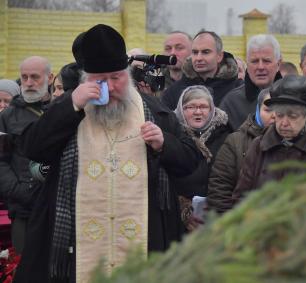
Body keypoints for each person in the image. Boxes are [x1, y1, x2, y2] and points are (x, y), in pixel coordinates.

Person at [13, 24, 200, 283]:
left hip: (144, 241)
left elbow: (191, 163)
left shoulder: (155, 111)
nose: (110, 87)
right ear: (84, 79)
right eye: (99, 80)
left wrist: (164, 144)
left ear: (128, 75)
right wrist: (71, 104)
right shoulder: (67, 107)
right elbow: (32, 149)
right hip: (76, 247)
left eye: (116, 77)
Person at [232, 75, 306, 202]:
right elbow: (241, 197)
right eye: (279, 115)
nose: (284, 123)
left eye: (292, 116)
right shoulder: (259, 146)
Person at [0, 56, 53, 255]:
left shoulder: (61, 111)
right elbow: (1, 162)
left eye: (34, 77)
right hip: (23, 210)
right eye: (24, 77)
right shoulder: (7, 116)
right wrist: (21, 192)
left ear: (50, 77)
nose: (29, 83)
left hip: (57, 207)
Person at [207, 88, 275, 213]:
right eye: (268, 110)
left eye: (280, 110)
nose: (274, 116)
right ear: (258, 110)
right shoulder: (235, 141)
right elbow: (220, 188)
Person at [174, 85, 231, 231]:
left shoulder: (226, 135)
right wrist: (183, 209)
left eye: (203, 107)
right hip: (178, 220)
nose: (198, 112)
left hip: (218, 217)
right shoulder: (172, 135)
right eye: (190, 107)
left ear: (212, 110)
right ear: (181, 110)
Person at [162, 30, 241, 110]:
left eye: (206, 52)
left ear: (219, 56)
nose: (198, 58)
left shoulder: (239, 89)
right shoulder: (173, 92)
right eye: (195, 52)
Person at [219, 34, 282, 131]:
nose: (260, 67)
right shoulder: (231, 103)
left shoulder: (293, 97)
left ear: (278, 64)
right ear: (247, 65)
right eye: (255, 61)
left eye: (266, 61)